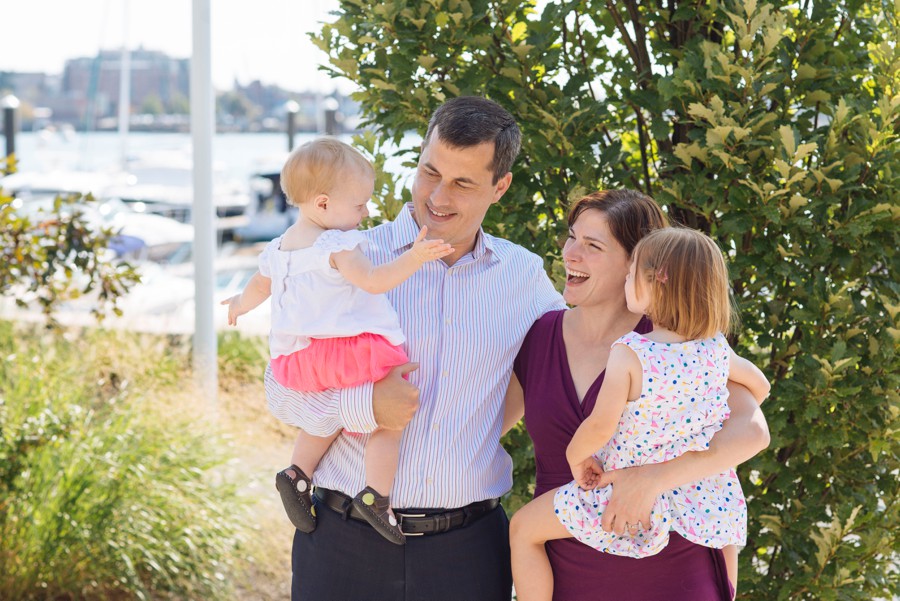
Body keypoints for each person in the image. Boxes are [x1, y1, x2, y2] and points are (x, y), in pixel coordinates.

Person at [265, 96, 566, 600]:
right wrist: (364, 406)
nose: (438, 196)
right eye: (430, 172)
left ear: (500, 186)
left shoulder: (525, 278)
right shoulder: (344, 256)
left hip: (468, 552)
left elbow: (578, 358)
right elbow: (278, 391)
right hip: (342, 543)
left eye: (463, 183)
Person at [506, 189, 770, 601]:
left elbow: (752, 431)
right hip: (568, 578)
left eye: (592, 246)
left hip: (676, 574)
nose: (569, 253)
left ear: (641, 263)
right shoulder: (540, 336)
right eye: (571, 236)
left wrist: (651, 480)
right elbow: (483, 427)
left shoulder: (676, 338)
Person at [221, 138, 454, 545]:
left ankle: (297, 473)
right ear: (324, 204)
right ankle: (376, 495)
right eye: (360, 204)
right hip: (351, 351)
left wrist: (239, 305)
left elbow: (259, 286)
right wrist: (415, 258)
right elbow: (373, 280)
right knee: (391, 413)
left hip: (300, 358)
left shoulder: (278, 248)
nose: (365, 212)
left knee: (325, 417)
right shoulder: (336, 244)